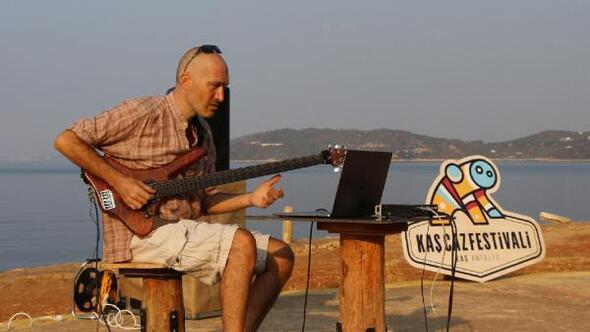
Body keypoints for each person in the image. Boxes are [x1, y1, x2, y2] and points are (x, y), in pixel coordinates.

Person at [54, 45, 294, 331]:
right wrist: (121, 182)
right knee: (240, 243)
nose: (221, 96)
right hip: (138, 234)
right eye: (215, 86)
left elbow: (204, 202)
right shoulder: (142, 112)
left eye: (225, 88)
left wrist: (251, 198)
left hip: (180, 230)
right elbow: (67, 141)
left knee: (281, 256)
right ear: (186, 80)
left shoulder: (204, 135)